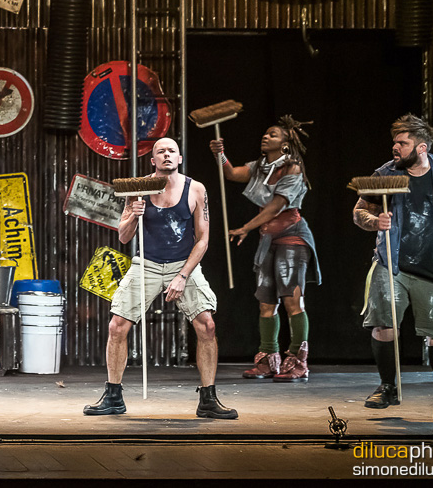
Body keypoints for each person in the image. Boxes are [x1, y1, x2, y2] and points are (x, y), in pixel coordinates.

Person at [84, 138, 238, 419]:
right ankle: (113, 396)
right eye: (160, 151)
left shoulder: (196, 189)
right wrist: (134, 216)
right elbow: (124, 237)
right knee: (117, 325)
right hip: (147, 264)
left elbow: (203, 240)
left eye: (171, 151)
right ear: (153, 160)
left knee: (207, 325)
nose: (166, 155)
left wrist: (182, 276)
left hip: (183, 264)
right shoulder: (138, 188)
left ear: (179, 158)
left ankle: (208, 398)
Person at [353, 114, 433, 423]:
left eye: (402, 142)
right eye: (394, 142)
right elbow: (359, 212)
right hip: (392, 265)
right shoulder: (385, 174)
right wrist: (375, 222)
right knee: (383, 324)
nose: (395, 147)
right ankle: (387, 387)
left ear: (421, 147)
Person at [211, 116, 321, 381]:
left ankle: (297, 361)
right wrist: (220, 155)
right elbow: (232, 174)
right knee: (266, 303)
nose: (265, 136)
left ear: (285, 143)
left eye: (273, 134)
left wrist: (246, 227)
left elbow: (276, 206)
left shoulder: (292, 168)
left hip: (292, 239)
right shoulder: (260, 166)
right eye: (266, 133)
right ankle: (268, 359)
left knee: (293, 301)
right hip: (268, 240)